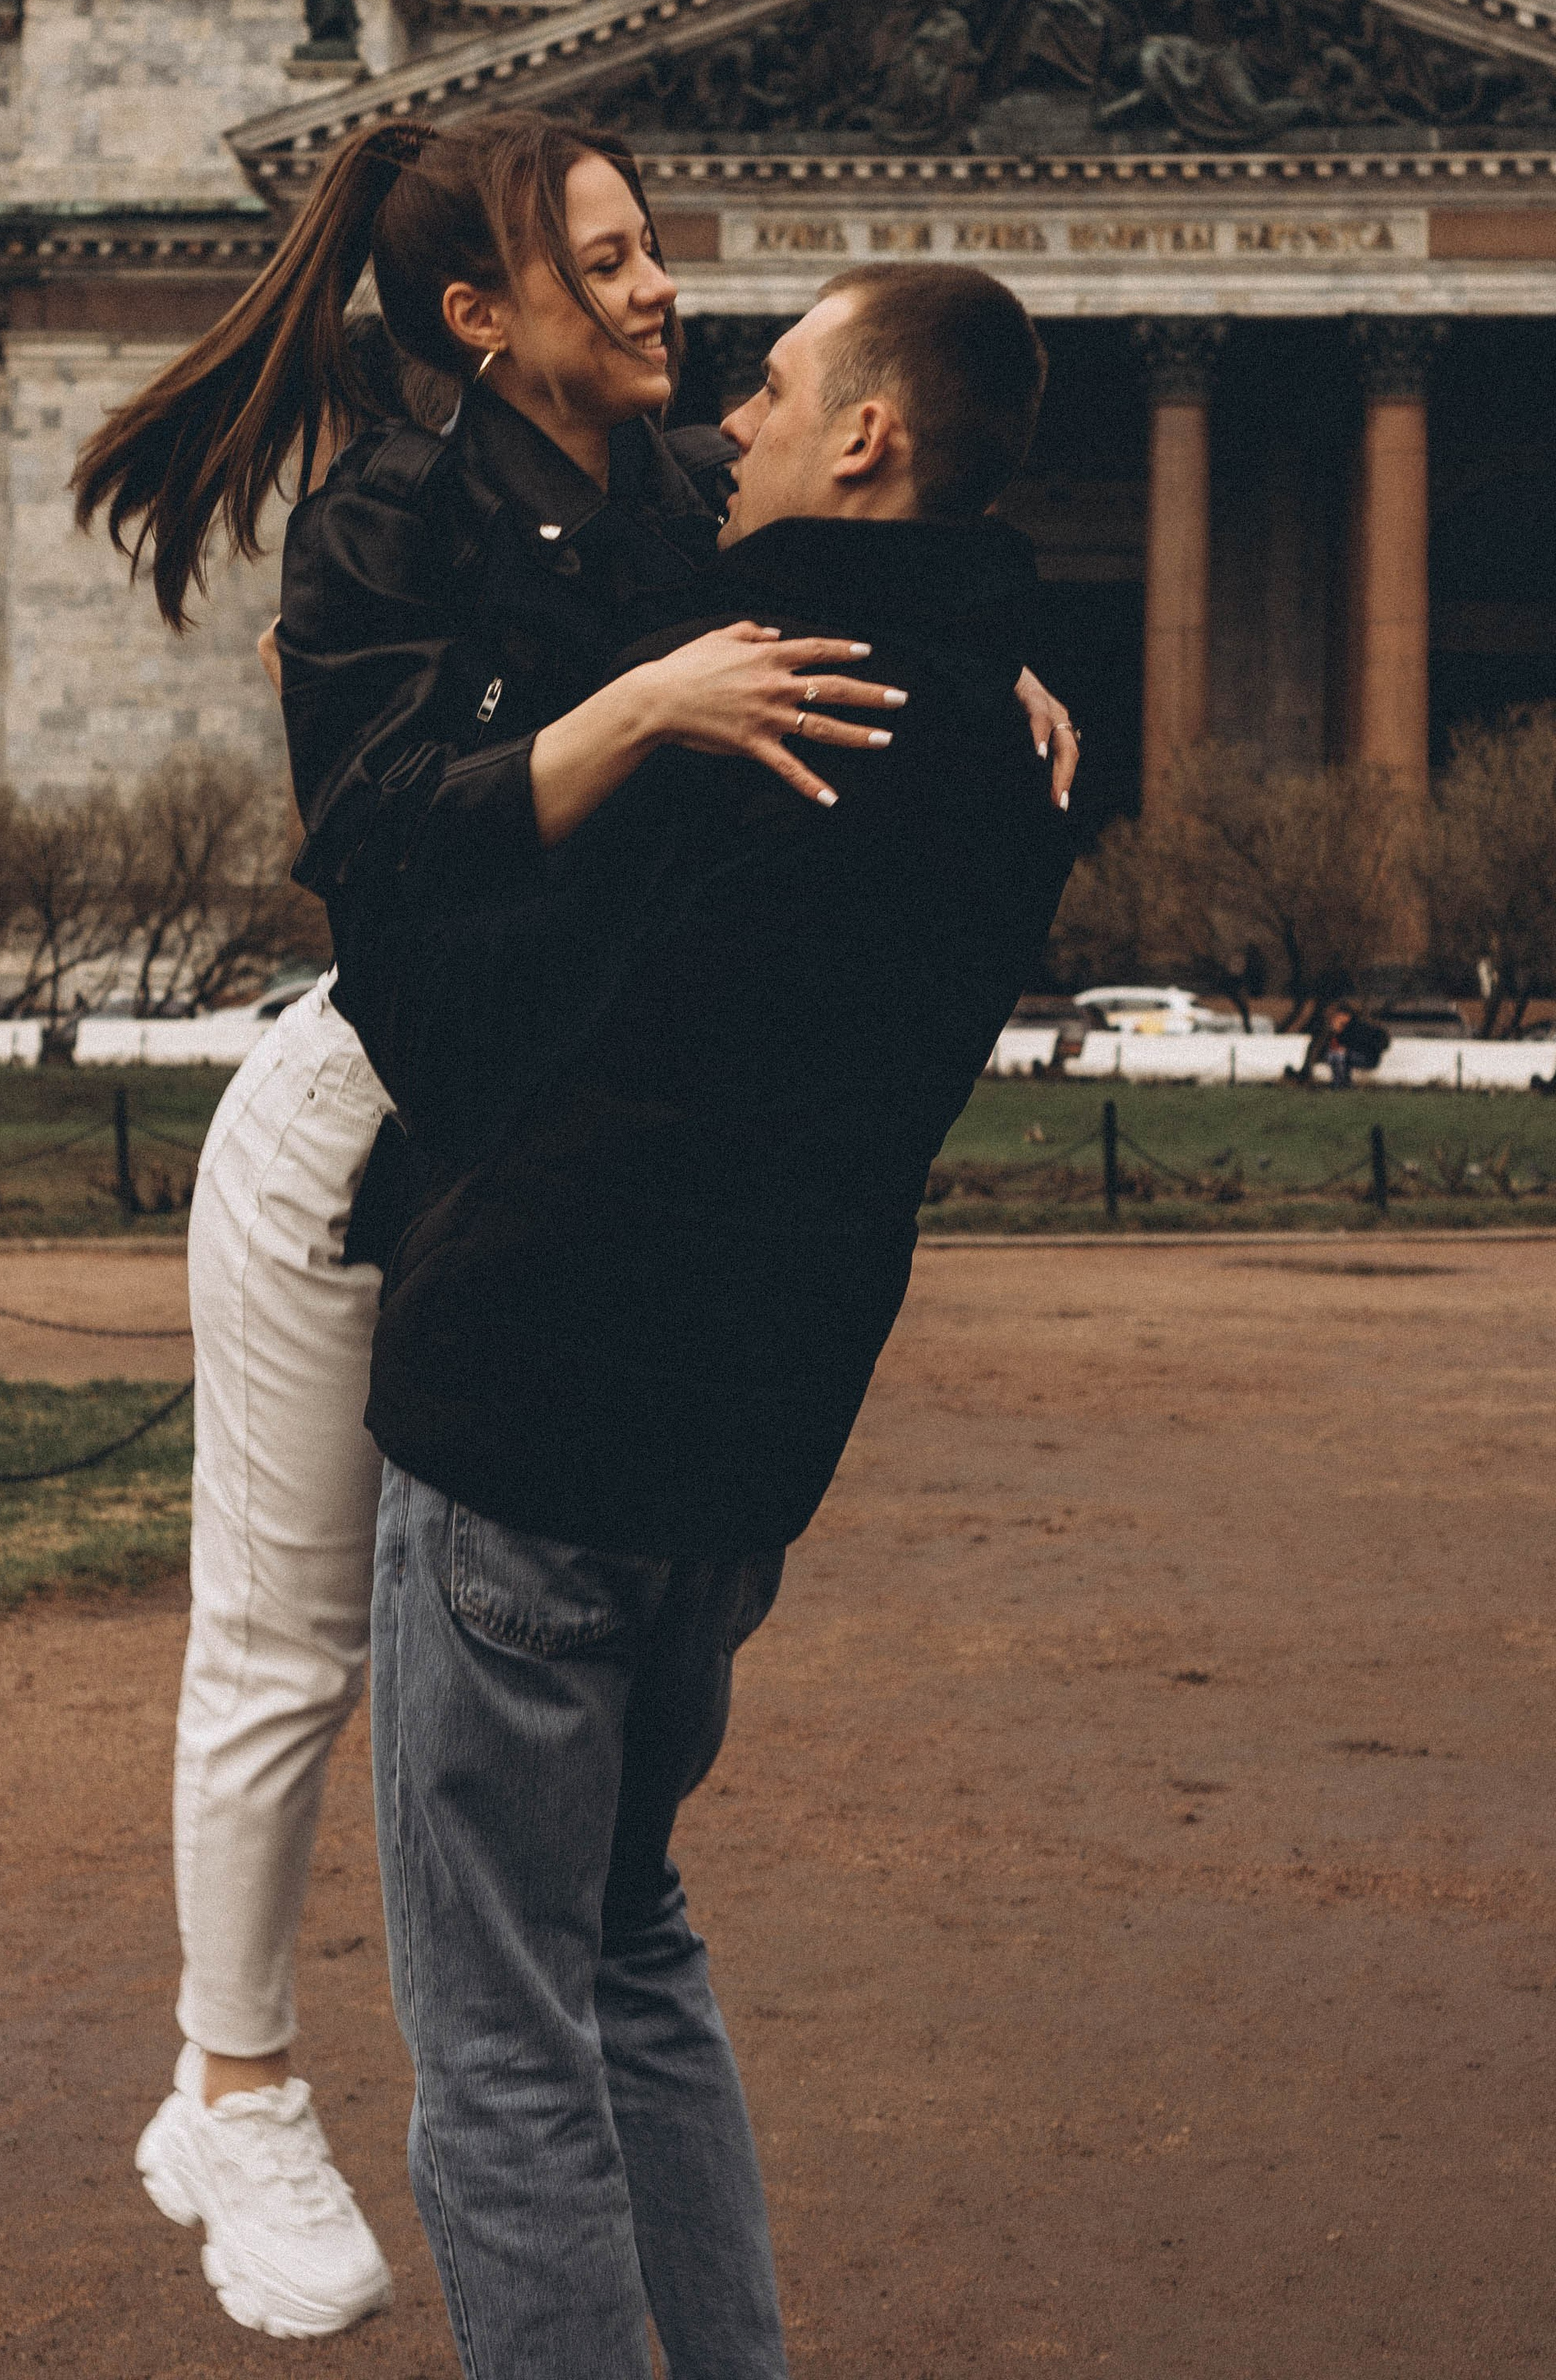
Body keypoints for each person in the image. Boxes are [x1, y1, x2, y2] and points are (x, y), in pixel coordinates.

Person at [70, 123, 1081, 2341]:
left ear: (854, 443)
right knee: (283, 1640)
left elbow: (840, 603)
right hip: (364, 1121)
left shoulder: (675, 510)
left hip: (534, 1294)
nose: (675, 312)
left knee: (555, 1975)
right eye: (613, 263)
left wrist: (972, 647)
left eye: (668, 267)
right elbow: (386, 861)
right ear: (481, 318)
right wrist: (660, 706)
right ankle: (231, 2078)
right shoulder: (391, 527)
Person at [346, 265, 1078, 2378]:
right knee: (632, 1945)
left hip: (528, 1422)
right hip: (737, 1466)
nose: (721, 425)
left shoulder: (727, 705)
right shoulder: (1016, 754)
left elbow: (432, 963)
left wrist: (594, 726)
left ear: (863, 438)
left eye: (768, 391)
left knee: (496, 2043)